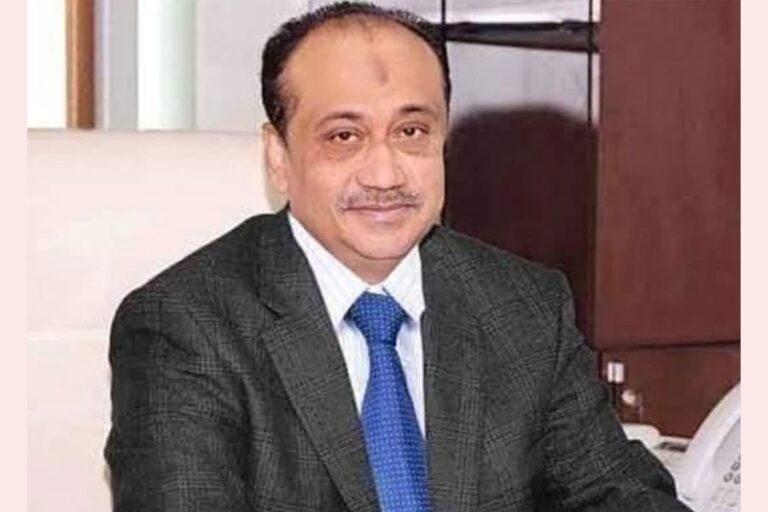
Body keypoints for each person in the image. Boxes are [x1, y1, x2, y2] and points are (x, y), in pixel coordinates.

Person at [104, 2, 692, 511]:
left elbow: (618, 494)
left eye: (411, 132)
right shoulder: (183, 326)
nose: (385, 176)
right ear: (279, 157)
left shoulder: (523, 305)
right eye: (344, 137)